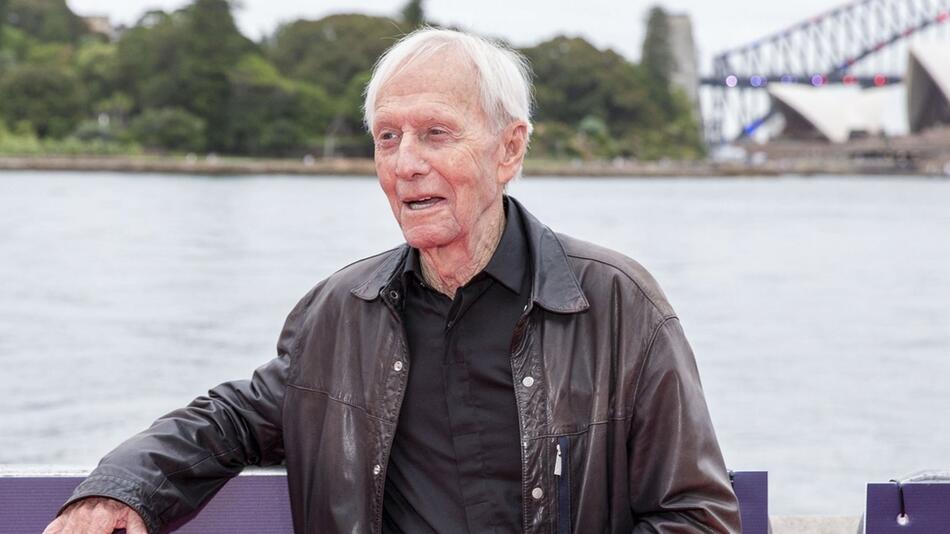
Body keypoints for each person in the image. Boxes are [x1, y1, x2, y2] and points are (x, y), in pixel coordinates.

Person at [44, 28, 741, 534]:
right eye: (387, 137)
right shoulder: (341, 313)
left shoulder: (617, 305)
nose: (405, 163)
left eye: (435, 134)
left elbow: (696, 517)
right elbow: (229, 420)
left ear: (509, 149)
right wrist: (117, 492)